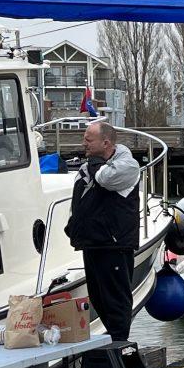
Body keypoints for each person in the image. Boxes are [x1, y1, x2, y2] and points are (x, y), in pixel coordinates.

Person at [65, 119, 141, 342]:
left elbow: (104, 179)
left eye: (89, 140)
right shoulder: (89, 165)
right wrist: (73, 225)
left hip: (113, 243)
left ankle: (120, 345)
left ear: (106, 143)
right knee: (98, 299)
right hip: (92, 242)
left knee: (116, 299)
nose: (84, 143)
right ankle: (112, 343)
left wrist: (96, 163)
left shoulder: (127, 165)